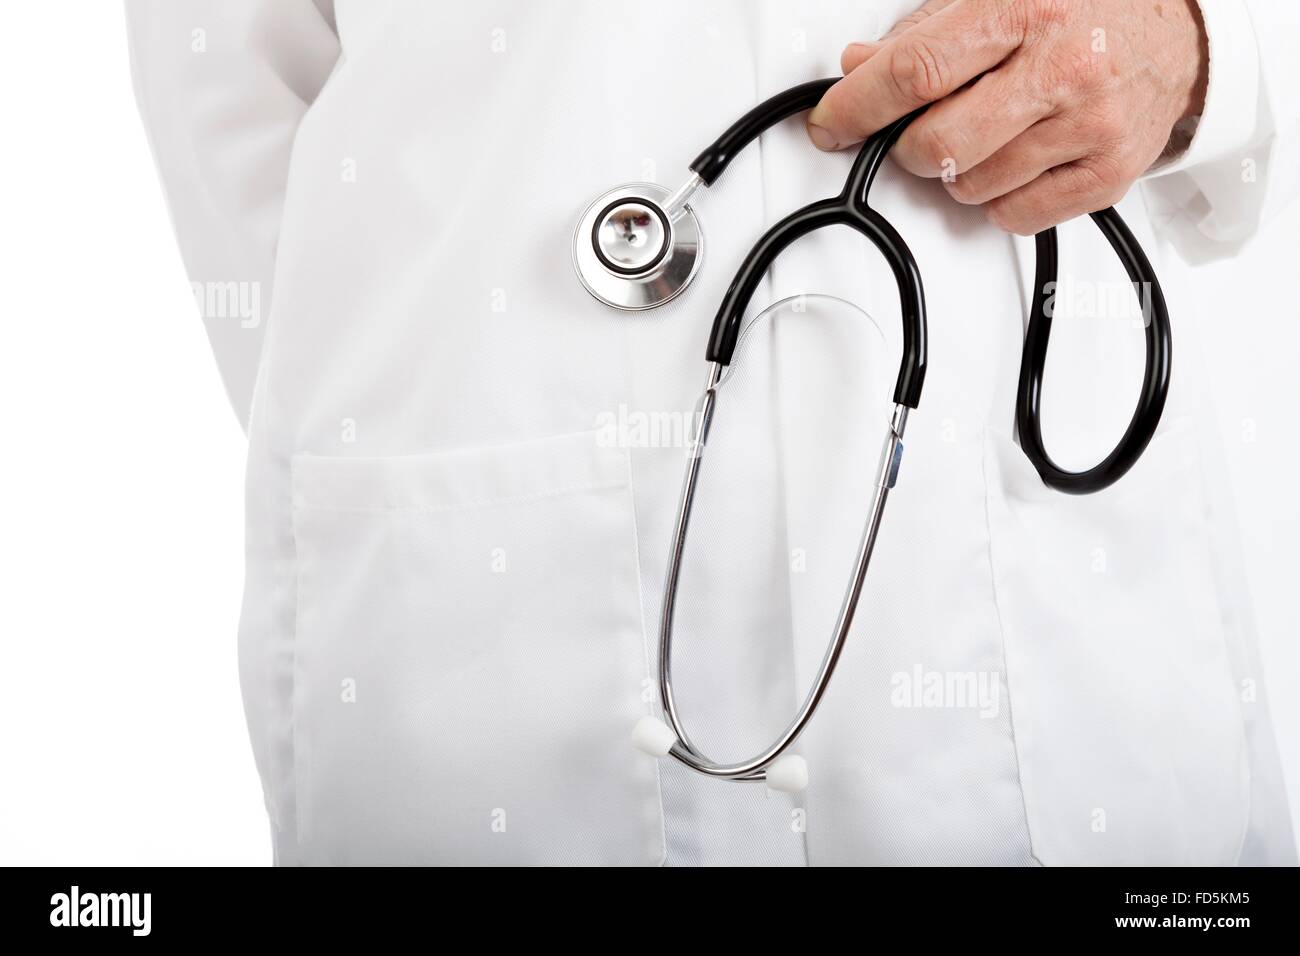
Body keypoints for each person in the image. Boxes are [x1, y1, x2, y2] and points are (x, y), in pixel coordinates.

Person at [127, 0, 1298, 866]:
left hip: (1045, 594)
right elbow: (226, 91)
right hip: (497, 644)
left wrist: (1208, 43)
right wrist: (428, 408)